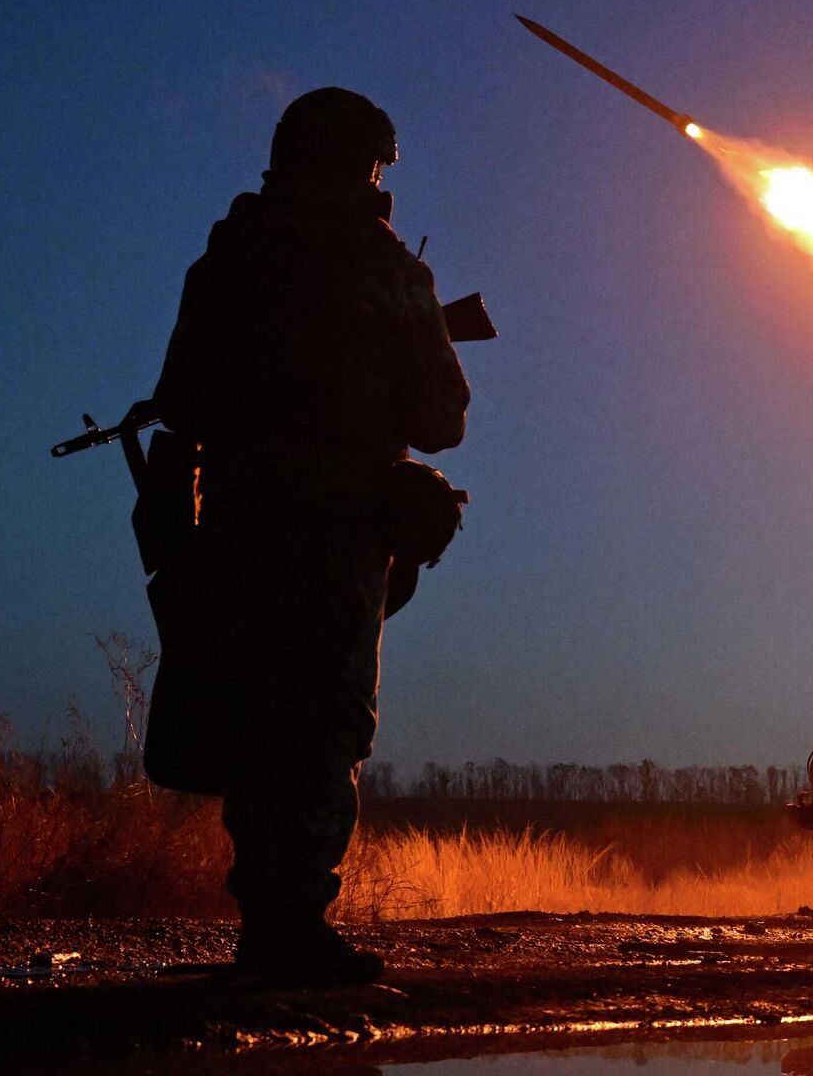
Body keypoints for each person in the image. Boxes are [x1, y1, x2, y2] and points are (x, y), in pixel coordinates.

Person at [151, 87, 469, 983]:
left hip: (238, 527)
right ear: (361, 165)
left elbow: (181, 399)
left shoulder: (227, 260)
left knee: (253, 720)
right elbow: (443, 419)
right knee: (326, 726)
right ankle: (292, 928)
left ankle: (266, 922)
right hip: (337, 536)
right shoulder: (382, 268)